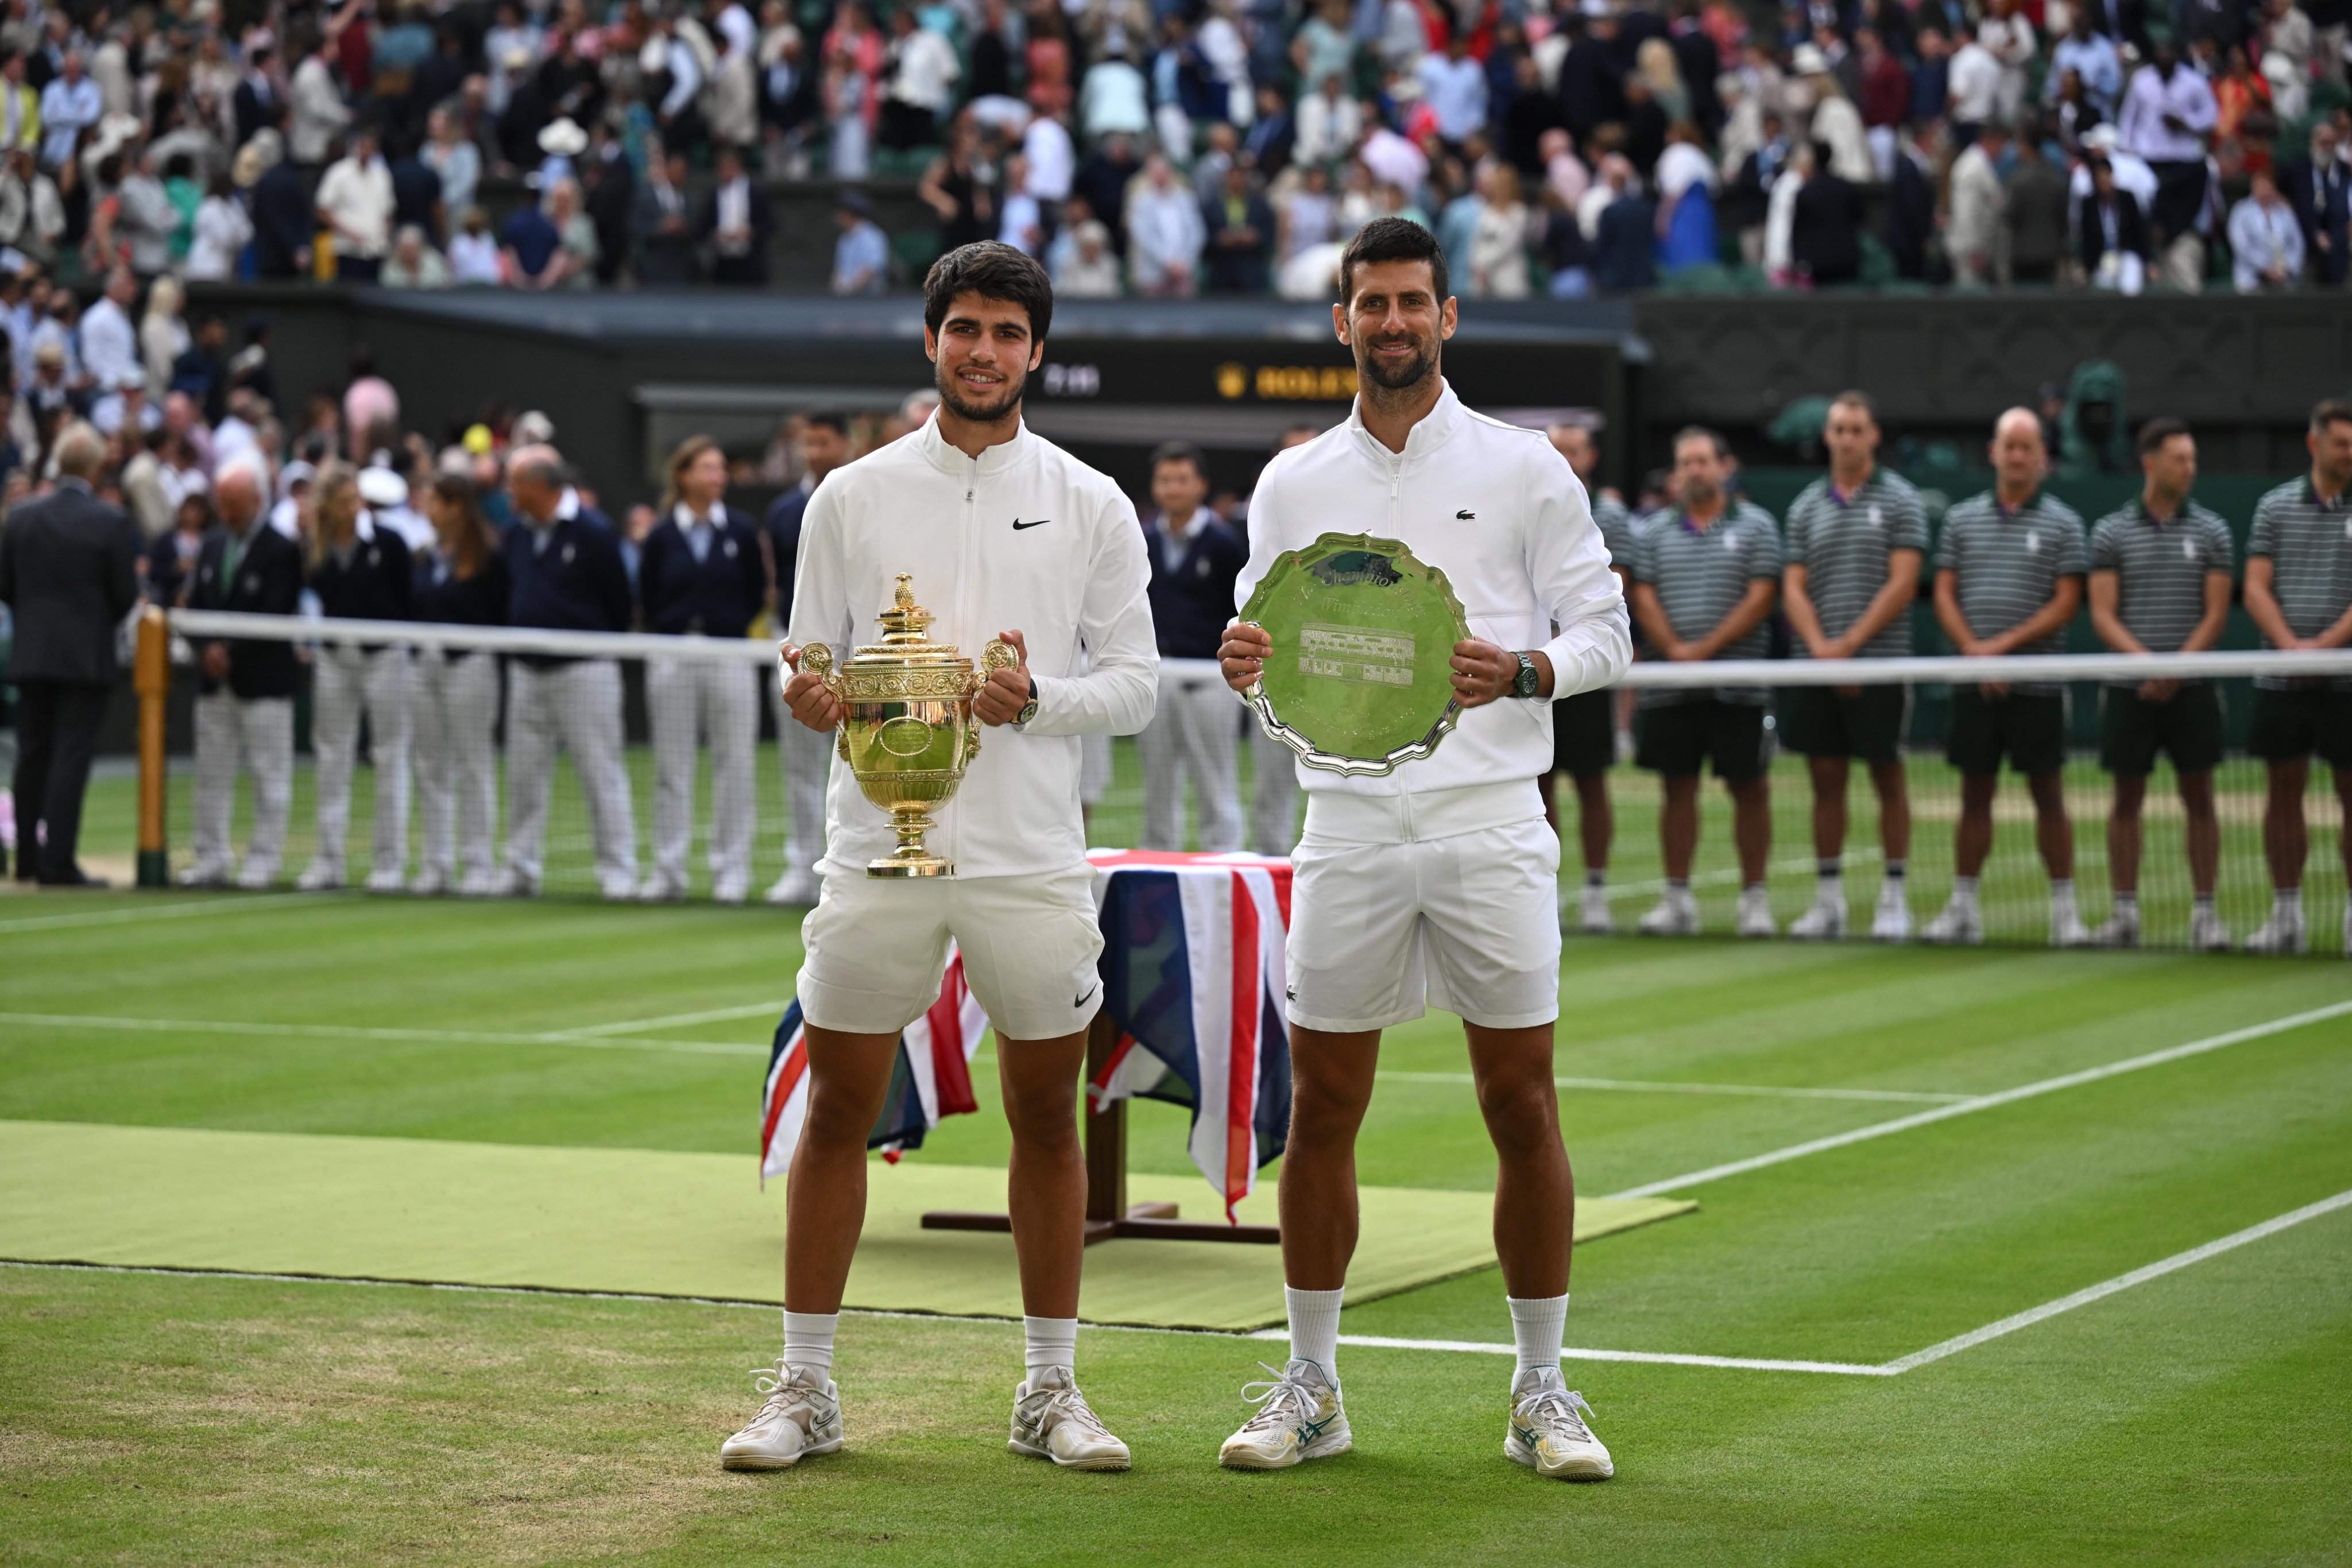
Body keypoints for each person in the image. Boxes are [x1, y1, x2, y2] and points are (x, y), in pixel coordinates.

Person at [726, 242, 1156, 1474]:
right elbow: (807, 657)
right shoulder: (850, 495)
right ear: (931, 342)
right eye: (964, 328)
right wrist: (811, 697)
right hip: (876, 847)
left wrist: (1034, 700)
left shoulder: (1090, 500)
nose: (983, 351)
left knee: (1044, 1116)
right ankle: (804, 1388)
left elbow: (1135, 686)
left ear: (1036, 351)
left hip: (1027, 855)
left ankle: (1050, 1389)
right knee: (838, 1108)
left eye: (1007, 333)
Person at [1214, 219, 1628, 1482]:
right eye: (1368, 304)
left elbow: (1603, 628)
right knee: (1324, 1106)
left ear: (1446, 315)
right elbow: (1270, 647)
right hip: (1342, 826)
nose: (1389, 322)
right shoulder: (1289, 480)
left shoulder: (1525, 467)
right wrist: (1243, 664)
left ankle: (1540, 1392)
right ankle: (1312, 1388)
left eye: (1410, 302)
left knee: (1521, 1102)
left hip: (1489, 823)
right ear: (1340, 322)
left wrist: (1528, 667)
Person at [1924, 409, 2091, 947]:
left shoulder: (2064, 522)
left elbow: (2066, 602)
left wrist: (2002, 650)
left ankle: (2066, 912)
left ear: (2042, 456)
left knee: (2048, 794)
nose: (2017, 456)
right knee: (1975, 794)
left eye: (2027, 447)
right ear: (1993, 453)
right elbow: (1945, 591)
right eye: (2009, 446)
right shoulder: (1961, 521)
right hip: (1977, 684)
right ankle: (1964, 906)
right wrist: (1975, 652)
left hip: (2036, 685)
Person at [1780, 392, 1928, 942]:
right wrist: (1823, 649)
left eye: (1856, 429)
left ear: (1873, 436)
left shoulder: (1903, 501)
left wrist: (1851, 647)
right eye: (1838, 429)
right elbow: (1793, 586)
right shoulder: (1805, 507)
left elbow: (1904, 582)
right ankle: (1829, 901)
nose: (1847, 437)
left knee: (1888, 776)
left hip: (1881, 667)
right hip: (1816, 667)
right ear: (1828, 437)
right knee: (1825, 781)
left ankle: (1894, 897)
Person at [1627, 427, 1784, 938]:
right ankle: (1677, 899)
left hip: (1739, 684)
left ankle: (1755, 901)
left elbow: (1762, 597)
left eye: (1702, 461)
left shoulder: (1759, 526)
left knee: (1750, 788)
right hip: (1672, 687)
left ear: (1724, 466)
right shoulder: (1651, 533)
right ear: (1676, 474)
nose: (1695, 470)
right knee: (1677, 789)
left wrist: (1704, 651)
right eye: (1685, 463)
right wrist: (1676, 651)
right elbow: (1643, 596)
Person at [2084, 418, 2234, 951]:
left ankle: (2206, 915)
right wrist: (2147, 665)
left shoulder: (2214, 530)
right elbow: (2103, 613)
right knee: (2126, 798)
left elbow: (2216, 615)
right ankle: (2124, 912)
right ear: (2150, 464)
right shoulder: (2109, 532)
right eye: (2179, 459)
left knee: (2201, 798)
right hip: (2130, 688)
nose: (2189, 468)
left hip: (2191, 689)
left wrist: (2176, 669)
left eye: (2192, 459)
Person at [496, 445, 638, 900]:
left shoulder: (595, 533)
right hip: (526, 671)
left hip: (585, 672)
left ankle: (619, 873)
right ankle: (519, 869)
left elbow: (619, 603)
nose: (508, 492)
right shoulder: (516, 534)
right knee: (522, 776)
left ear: (538, 485)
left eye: (515, 483)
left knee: (601, 773)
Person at [0, 423, 137, 886]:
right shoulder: (110, 521)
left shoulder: (20, 517)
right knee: (68, 758)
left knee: (32, 756)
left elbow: (6, 587)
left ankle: (28, 862)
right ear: (97, 468)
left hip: (33, 655)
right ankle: (57, 862)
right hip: (84, 659)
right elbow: (125, 595)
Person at [2240, 400, 2352, 955]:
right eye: (2342, 444)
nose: (2350, 453)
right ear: (2315, 445)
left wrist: (2324, 649)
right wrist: (2289, 648)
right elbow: (2256, 586)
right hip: (2282, 680)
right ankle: (2287, 915)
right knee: (2283, 795)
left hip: (2345, 681)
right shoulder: (2274, 508)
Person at [639, 435, 765, 903]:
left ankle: (730, 872)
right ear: (683, 475)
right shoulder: (660, 535)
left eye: (721, 469)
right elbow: (649, 595)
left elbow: (754, 592)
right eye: (707, 468)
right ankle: (669, 872)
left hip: (730, 654)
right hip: (672, 656)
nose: (718, 477)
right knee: (672, 768)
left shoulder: (740, 530)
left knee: (735, 764)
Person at [179, 460, 303, 888]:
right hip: (215, 684)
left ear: (256, 501)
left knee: (270, 776)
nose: (227, 514)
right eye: (222, 505)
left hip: (263, 683)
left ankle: (264, 860)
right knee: (211, 775)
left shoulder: (283, 549)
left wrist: (229, 651)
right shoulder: (212, 545)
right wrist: (205, 649)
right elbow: (194, 605)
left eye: (234, 505)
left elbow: (275, 610)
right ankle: (211, 857)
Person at [299, 462, 415, 892]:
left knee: (389, 756)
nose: (353, 509)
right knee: (331, 756)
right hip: (333, 658)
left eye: (356, 500)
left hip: (385, 658)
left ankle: (390, 863)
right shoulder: (315, 547)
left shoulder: (390, 542)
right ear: (327, 506)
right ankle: (328, 860)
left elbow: (406, 602)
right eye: (344, 502)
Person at [1542, 421, 1636, 934]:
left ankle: (1596, 889)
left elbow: (1615, 590)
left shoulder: (1612, 514)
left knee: (1591, 779)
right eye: (1558, 449)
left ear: (1591, 455)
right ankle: (1548, 890)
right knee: (1541, 782)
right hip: (1535, 665)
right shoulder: (1530, 500)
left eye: (1574, 449)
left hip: (1587, 665)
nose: (1566, 457)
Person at [1136, 440, 1245, 851]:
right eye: (1165, 480)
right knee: (1157, 784)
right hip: (1159, 678)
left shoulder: (1224, 544)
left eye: (1182, 480)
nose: (1173, 488)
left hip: (1211, 680)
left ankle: (1224, 861)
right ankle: (1158, 865)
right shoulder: (1143, 540)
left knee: (1216, 781)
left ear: (1201, 485)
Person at [763, 410, 849, 905]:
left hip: (861, 653)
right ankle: (802, 866)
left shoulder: (865, 492)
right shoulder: (782, 510)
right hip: (800, 648)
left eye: (823, 442)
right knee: (799, 765)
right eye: (807, 444)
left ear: (843, 443)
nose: (813, 452)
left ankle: (847, 864)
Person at [409, 474, 509, 897]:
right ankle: (436, 864)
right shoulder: (423, 556)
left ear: (456, 507)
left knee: (473, 765)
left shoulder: (489, 556)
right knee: (430, 768)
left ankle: (478, 865)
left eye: (434, 502)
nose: (427, 509)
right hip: (424, 666)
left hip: (472, 665)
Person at [830, 189, 888, 295]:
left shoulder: (872, 237)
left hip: (869, 300)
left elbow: (871, 270)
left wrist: (850, 289)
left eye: (841, 212)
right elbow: (839, 271)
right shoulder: (844, 238)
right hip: (846, 299)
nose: (838, 216)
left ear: (850, 214)